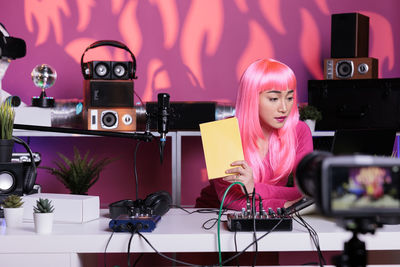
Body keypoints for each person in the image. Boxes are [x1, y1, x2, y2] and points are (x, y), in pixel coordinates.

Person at [195, 58, 313, 211]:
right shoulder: (222, 133)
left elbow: (307, 191)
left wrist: (254, 189)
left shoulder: (300, 130)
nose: (284, 107)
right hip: (213, 216)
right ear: (252, 99)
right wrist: (282, 204)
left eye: (290, 98)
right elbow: (230, 200)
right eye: (274, 99)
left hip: (270, 213)